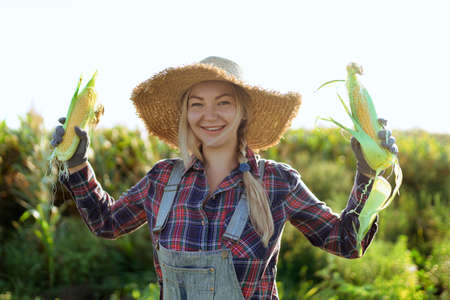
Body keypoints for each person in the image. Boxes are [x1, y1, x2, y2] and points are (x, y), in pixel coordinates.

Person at [51, 56, 398, 300]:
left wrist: (369, 172)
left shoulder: (276, 182)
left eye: (224, 103)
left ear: (244, 110)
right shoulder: (162, 180)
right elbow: (106, 223)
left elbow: (345, 242)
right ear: (186, 113)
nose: (209, 115)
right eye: (197, 104)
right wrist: (77, 163)